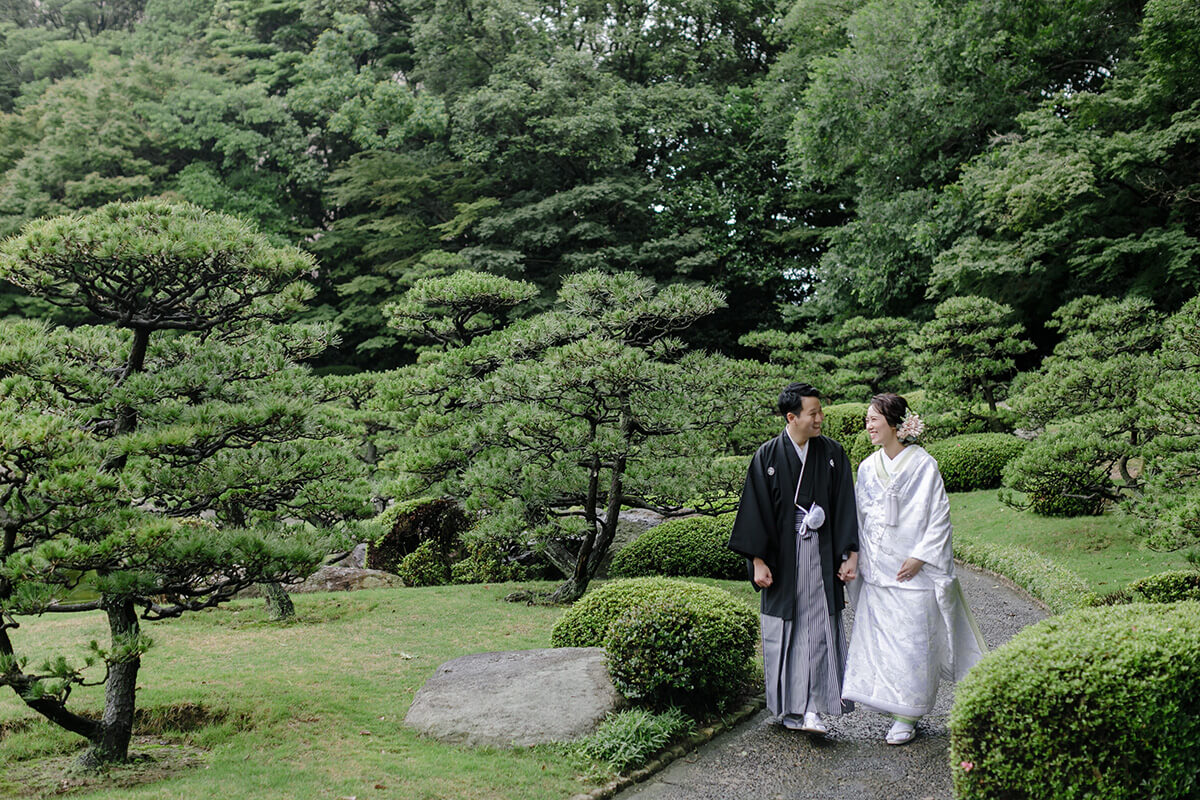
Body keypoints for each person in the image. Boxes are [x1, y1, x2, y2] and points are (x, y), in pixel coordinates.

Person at [841, 393, 987, 745]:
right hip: (879, 570)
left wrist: (921, 557)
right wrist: (856, 556)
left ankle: (908, 714)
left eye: (874, 419)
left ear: (896, 424)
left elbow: (939, 516)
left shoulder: (924, 465)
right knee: (884, 645)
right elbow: (858, 518)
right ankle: (892, 706)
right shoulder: (866, 467)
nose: (869, 425)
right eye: (868, 418)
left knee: (913, 645)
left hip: (914, 571)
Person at [727, 382, 859, 734]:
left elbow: (846, 503)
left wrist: (850, 553)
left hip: (820, 551)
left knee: (816, 628)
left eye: (820, 412)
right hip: (783, 556)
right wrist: (757, 560)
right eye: (813, 413)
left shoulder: (832, 453)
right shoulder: (767, 456)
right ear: (792, 417)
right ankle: (788, 707)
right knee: (786, 628)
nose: (820, 419)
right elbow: (755, 512)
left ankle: (813, 707)